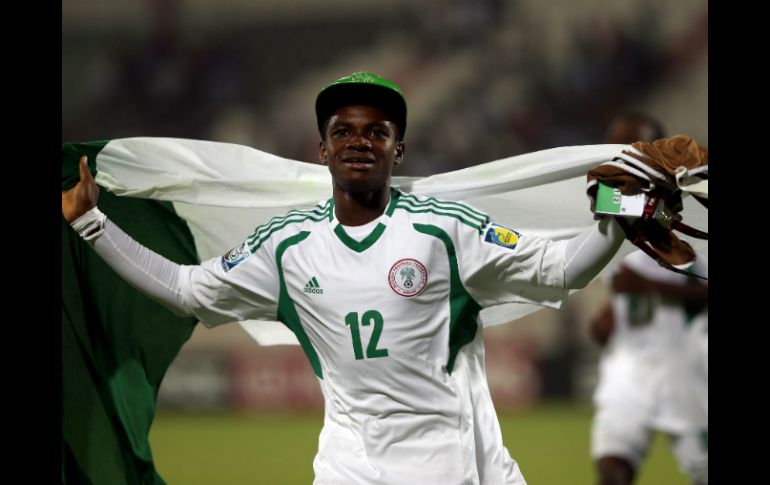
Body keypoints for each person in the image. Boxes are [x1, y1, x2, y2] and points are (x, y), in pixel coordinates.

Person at [63, 71, 627, 484]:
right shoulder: (286, 246)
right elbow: (185, 290)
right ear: (322, 149)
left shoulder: (445, 231)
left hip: (446, 469)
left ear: (397, 150)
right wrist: (92, 223)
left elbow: (563, 268)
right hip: (346, 470)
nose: (360, 141)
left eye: (377, 132)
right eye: (344, 130)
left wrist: (618, 206)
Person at [588, 112, 707, 485]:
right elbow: (623, 285)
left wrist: (653, 289)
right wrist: (610, 316)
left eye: (631, 147)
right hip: (629, 367)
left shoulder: (695, 210)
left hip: (686, 366)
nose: (620, 156)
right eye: (613, 148)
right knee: (612, 467)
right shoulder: (610, 210)